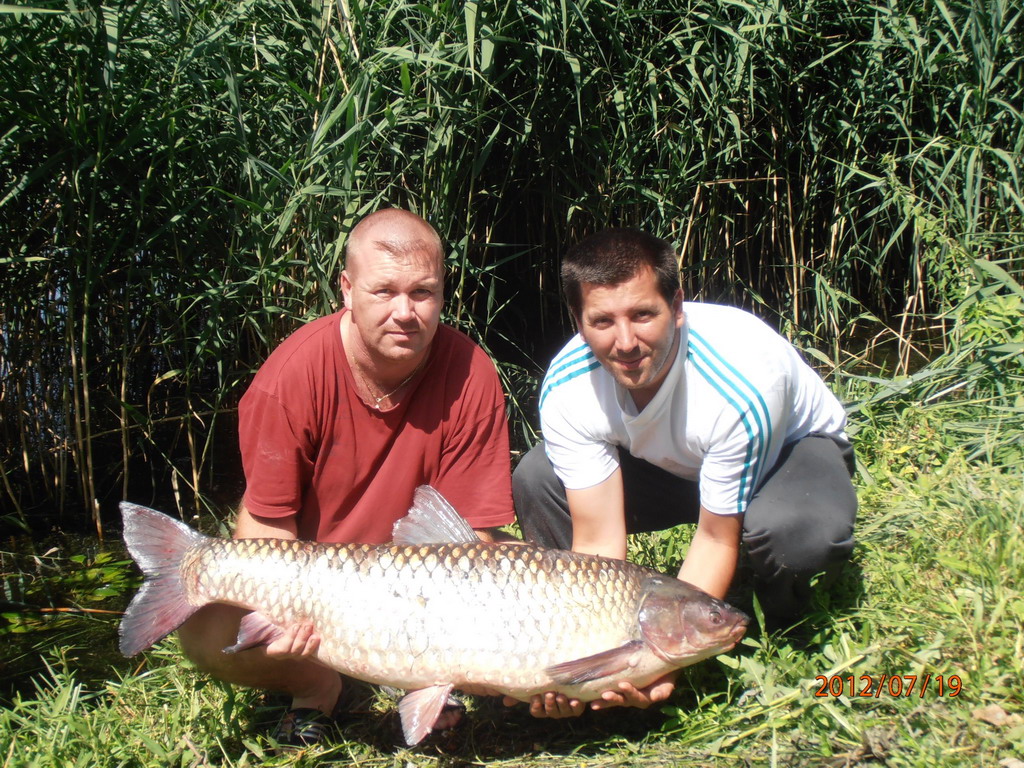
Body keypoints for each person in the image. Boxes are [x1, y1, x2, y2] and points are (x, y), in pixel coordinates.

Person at [178, 208, 515, 744]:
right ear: (348, 290)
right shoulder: (291, 377)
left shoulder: (471, 372)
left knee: (521, 584)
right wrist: (284, 612)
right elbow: (266, 528)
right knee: (203, 632)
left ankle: (428, 678)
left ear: (442, 293)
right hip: (318, 582)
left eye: (422, 293)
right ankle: (317, 686)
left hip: (422, 582)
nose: (405, 312)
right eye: (384, 292)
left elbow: (473, 536)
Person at [512, 227, 857, 719]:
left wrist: (661, 664)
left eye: (643, 315)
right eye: (602, 321)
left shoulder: (742, 382)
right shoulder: (568, 387)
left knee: (797, 535)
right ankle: (561, 647)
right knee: (538, 475)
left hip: (786, 455)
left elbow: (715, 539)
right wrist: (598, 663)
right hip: (672, 466)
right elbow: (597, 544)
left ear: (676, 306)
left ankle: (781, 630)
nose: (625, 342)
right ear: (579, 322)